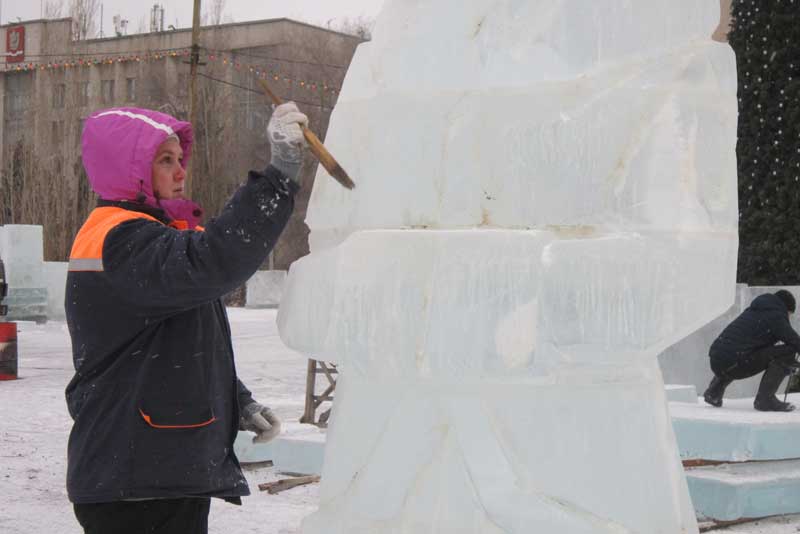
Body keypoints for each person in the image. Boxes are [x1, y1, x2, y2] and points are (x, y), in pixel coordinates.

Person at [64, 103, 309, 533]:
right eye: (165, 161)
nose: (181, 172)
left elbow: (171, 344)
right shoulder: (122, 240)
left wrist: (236, 400)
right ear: (131, 169)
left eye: (180, 160)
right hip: (136, 485)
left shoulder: (145, 238)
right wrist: (280, 174)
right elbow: (216, 259)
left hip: (153, 476)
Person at [704, 290, 800, 412]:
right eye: (789, 314)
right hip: (736, 362)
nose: (789, 318)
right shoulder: (776, 315)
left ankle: (714, 392)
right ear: (786, 308)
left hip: (717, 360)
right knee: (789, 351)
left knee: (737, 351)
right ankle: (765, 400)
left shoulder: (755, 310)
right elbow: (795, 341)